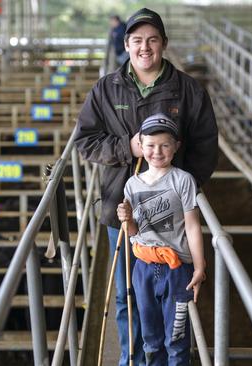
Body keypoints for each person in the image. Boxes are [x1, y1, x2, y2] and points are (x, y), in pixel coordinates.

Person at [74, 7, 218, 365]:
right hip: (122, 212)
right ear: (126, 44)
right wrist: (128, 147)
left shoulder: (187, 90)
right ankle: (132, 359)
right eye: (137, 40)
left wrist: (181, 192)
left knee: (171, 295)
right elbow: (85, 140)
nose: (144, 47)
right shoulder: (106, 89)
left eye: (152, 40)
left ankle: (167, 358)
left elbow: (205, 146)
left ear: (164, 44)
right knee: (127, 294)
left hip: (171, 223)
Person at [117, 113, 205, 365]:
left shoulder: (183, 180)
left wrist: (199, 266)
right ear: (140, 146)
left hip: (176, 268)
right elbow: (134, 232)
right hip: (143, 267)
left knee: (176, 338)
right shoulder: (132, 185)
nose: (157, 151)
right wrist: (126, 218)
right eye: (151, 145)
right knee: (151, 338)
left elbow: (192, 225)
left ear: (176, 147)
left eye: (165, 145)